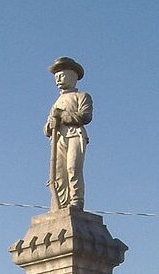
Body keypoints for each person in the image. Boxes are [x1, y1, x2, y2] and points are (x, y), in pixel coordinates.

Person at [44, 57, 93, 211]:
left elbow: (85, 116)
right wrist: (50, 125)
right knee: (59, 173)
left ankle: (76, 201)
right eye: (56, 76)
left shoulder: (82, 96)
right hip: (58, 139)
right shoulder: (56, 102)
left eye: (62, 75)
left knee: (72, 168)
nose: (58, 79)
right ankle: (60, 204)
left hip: (75, 134)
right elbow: (46, 128)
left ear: (72, 76)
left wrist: (63, 117)